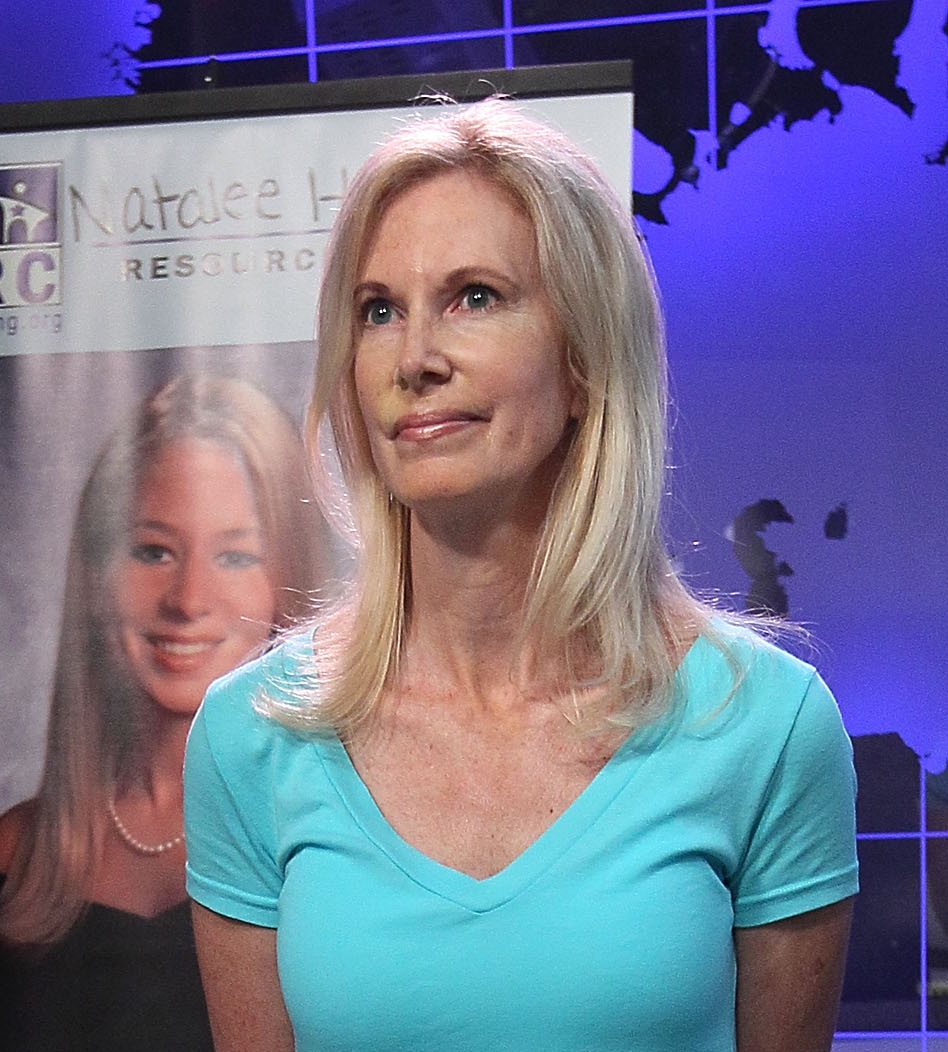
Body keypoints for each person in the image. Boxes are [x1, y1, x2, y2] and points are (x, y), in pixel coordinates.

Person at [183, 97, 859, 1052]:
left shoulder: (765, 727)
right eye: (379, 310)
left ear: (583, 359)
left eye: (475, 297)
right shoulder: (252, 737)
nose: (414, 359)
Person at [0, 372, 333, 1051]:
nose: (189, 599)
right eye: (153, 551)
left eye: (236, 556)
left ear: (287, 583)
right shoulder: (11, 862)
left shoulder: (340, 844)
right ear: (94, 575)